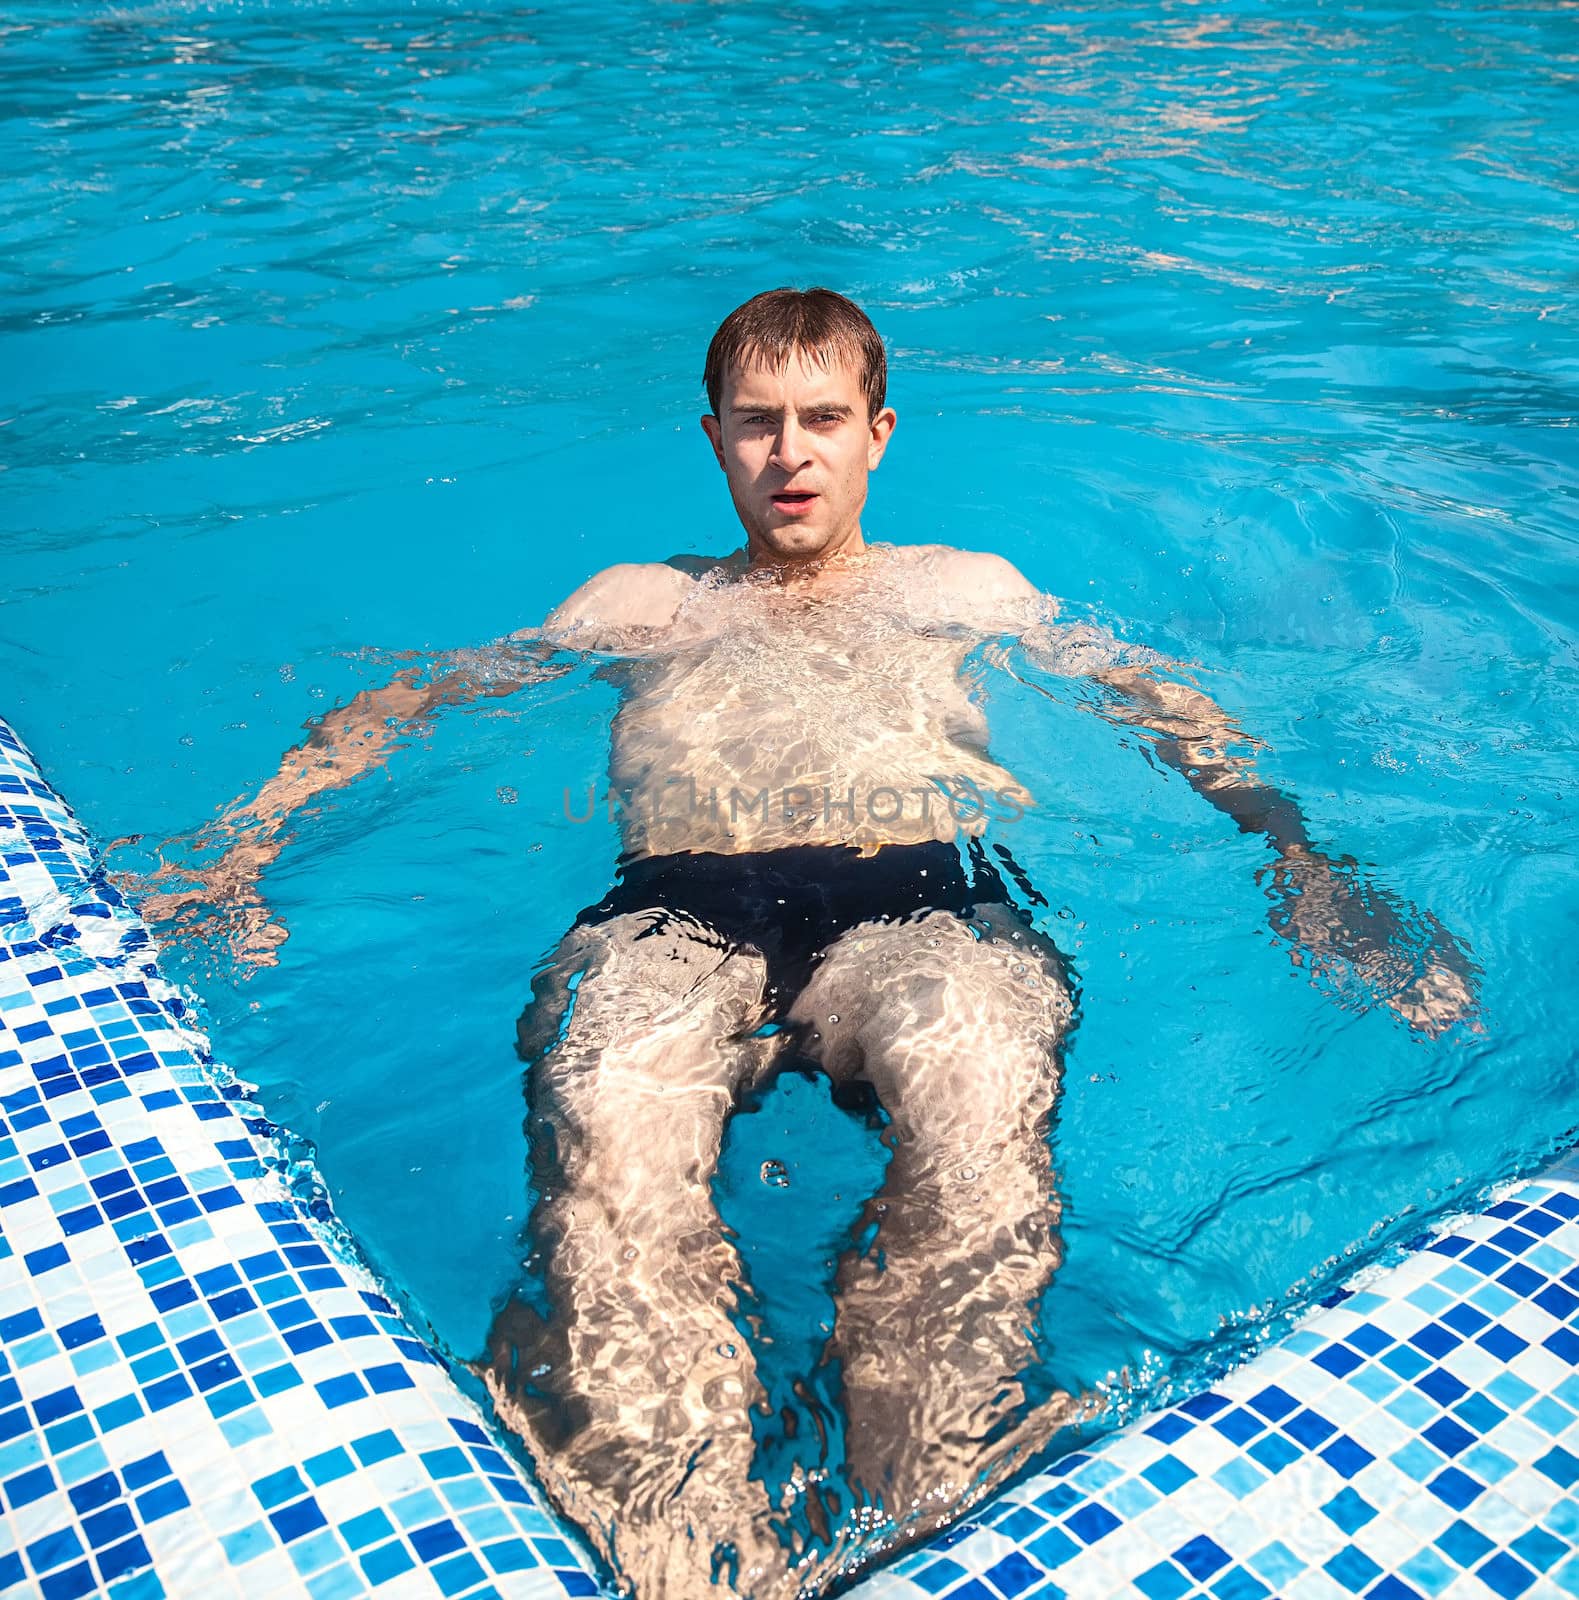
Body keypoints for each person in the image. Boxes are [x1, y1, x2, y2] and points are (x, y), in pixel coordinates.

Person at [144, 288, 1477, 1599]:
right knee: (608, 1139)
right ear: (713, 437)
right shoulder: (637, 603)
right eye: (758, 422)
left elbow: (1154, 705)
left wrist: (1301, 858)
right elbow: (416, 698)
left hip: (917, 908)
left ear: (879, 433)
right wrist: (243, 843)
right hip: (677, 917)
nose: (791, 453)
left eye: (822, 419)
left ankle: (925, 1500)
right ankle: (681, 1544)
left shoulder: (961, 588)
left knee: (979, 1105)